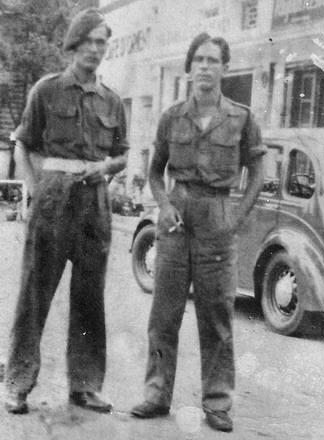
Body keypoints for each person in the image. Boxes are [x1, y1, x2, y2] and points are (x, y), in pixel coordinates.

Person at [131, 33, 265, 432]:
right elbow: (156, 171)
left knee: (218, 314)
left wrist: (237, 216)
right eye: (199, 60)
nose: (205, 67)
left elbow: (258, 171)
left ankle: (218, 401)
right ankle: (156, 395)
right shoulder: (172, 116)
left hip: (218, 216)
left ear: (224, 67)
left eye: (213, 60)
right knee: (164, 314)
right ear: (189, 68)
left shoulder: (241, 117)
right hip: (176, 219)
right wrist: (165, 204)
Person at [5, 8, 128, 414]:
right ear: (74, 44)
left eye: (102, 43)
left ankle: (85, 385)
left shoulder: (112, 100)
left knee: (90, 295)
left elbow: (122, 155)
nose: (96, 49)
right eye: (89, 41)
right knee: (35, 293)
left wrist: (106, 168)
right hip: (53, 199)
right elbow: (22, 143)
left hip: (95, 202)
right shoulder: (47, 89)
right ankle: (18, 383)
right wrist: (35, 191)